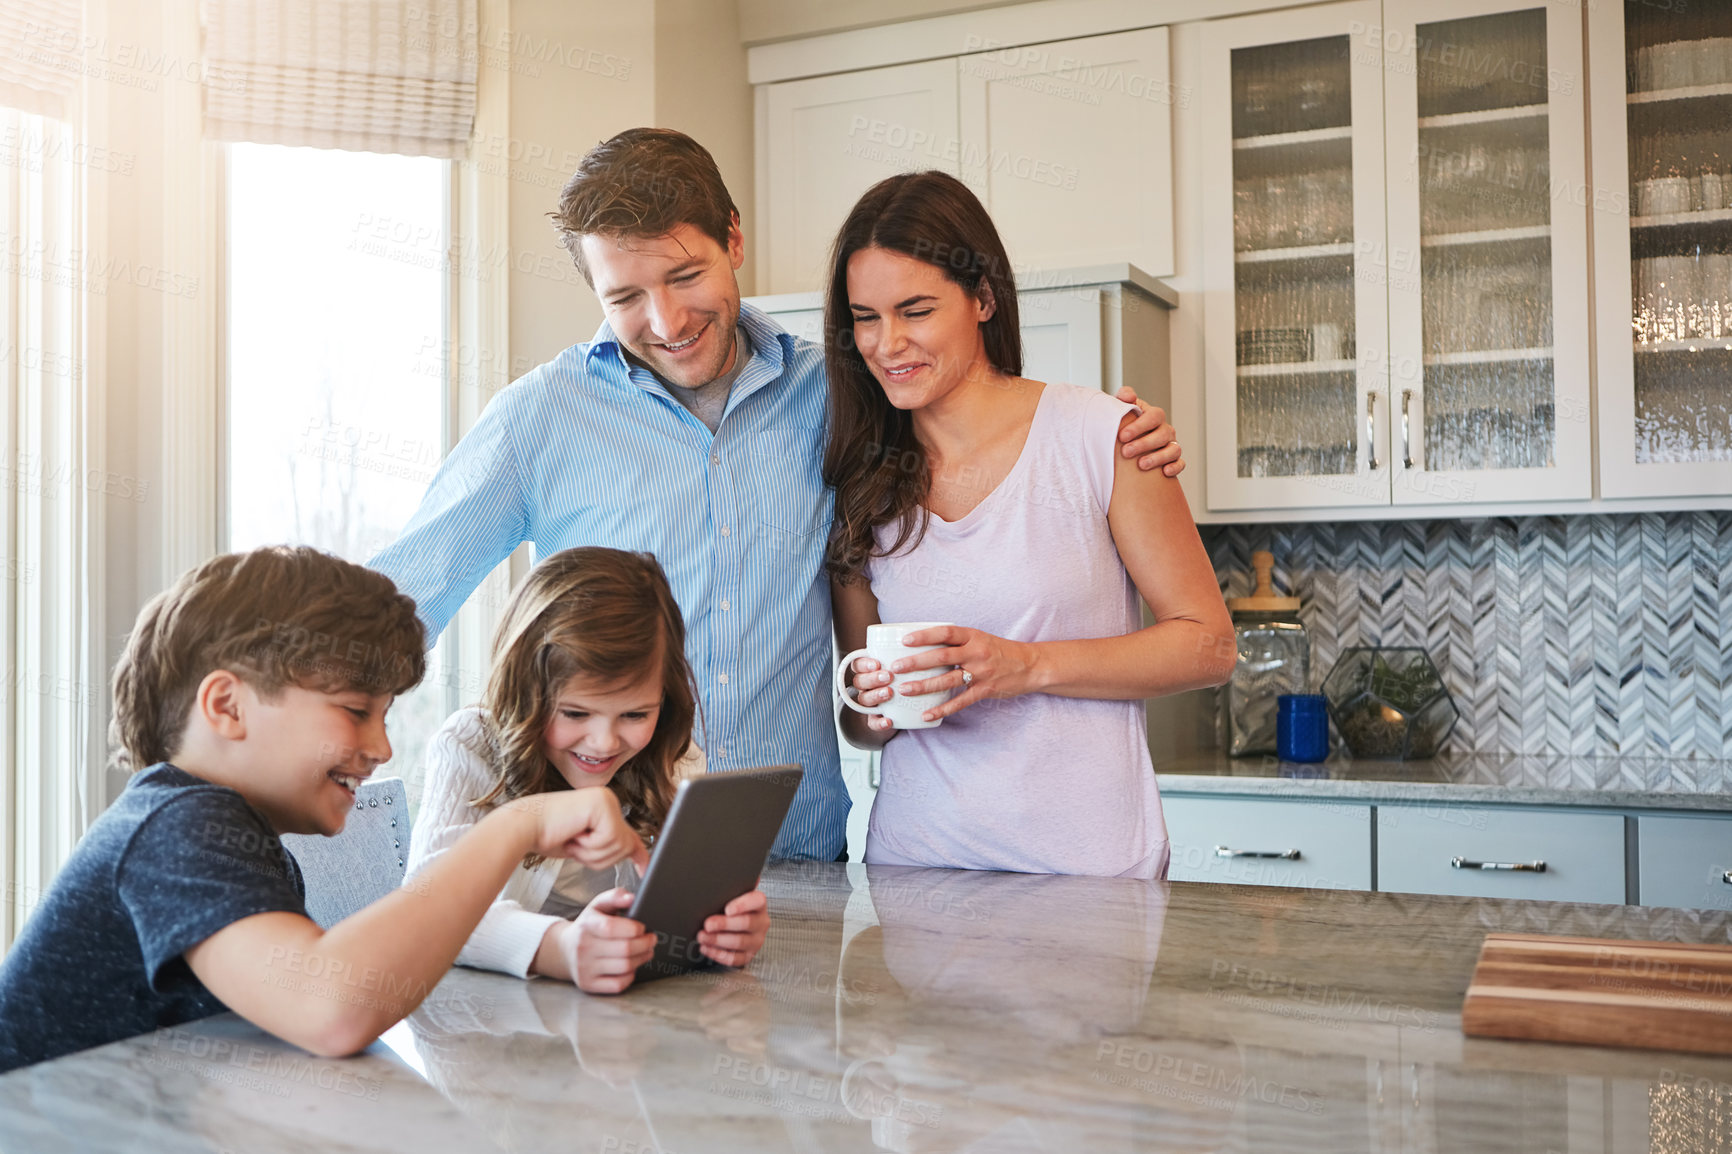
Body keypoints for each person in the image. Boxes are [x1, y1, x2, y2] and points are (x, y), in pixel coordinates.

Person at [368, 128, 1188, 861]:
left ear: (735, 240)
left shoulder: (838, 393)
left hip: (796, 858)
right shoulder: (538, 419)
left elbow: (982, 427)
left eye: (686, 275)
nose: (666, 320)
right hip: (605, 861)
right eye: (624, 297)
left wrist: (1114, 434)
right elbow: (400, 605)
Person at [0, 546, 645, 1072]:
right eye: (356, 711)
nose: (382, 747)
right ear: (227, 707)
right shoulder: (176, 826)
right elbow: (331, 1007)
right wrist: (518, 825)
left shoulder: (237, 840)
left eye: (386, 717)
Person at [827, 171, 1236, 878]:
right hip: (915, 870)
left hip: (1089, 874)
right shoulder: (864, 478)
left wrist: (1029, 666)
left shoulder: (1104, 437)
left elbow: (1209, 647)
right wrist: (875, 705)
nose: (887, 343)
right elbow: (862, 723)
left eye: (915, 311)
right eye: (866, 317)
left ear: (983, 298)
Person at [408, 547, 769, 994]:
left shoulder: (672, 757)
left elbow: (680, 915)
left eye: (636, 715)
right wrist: (560, 947)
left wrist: (723, 929)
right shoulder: (470, 745)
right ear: (524, 693)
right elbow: (425, 912)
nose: (604, 743)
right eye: (575, 714)